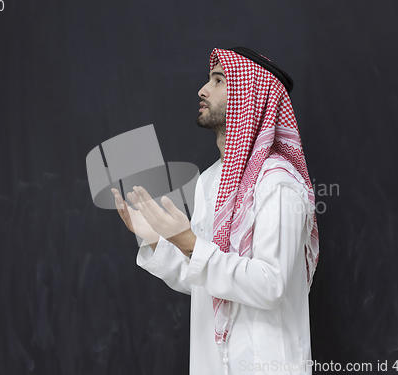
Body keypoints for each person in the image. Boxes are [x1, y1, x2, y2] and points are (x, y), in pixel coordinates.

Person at [111, 47, 319, 375]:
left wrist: (191, 243)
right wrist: (159, 241)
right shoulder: (209, 181)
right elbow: (205, 279)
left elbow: (270, 284)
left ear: (249, 96)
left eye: (218, 80)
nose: (202, 90)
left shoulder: (278, 184)